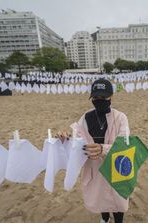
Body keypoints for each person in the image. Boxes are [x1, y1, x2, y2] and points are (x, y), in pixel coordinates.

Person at [56, 78, 129, 223]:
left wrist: (103, 149)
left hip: (116, 167)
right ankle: (104, 219)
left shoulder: (121, 117)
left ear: (111, 96)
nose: (99, 100)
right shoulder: (86, 117)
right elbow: (77, 139)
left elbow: (124, 144)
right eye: (96, 97)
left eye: (103, 96)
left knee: (118, 200)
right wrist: (65, 138)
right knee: (100, 195)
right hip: (95, 168)